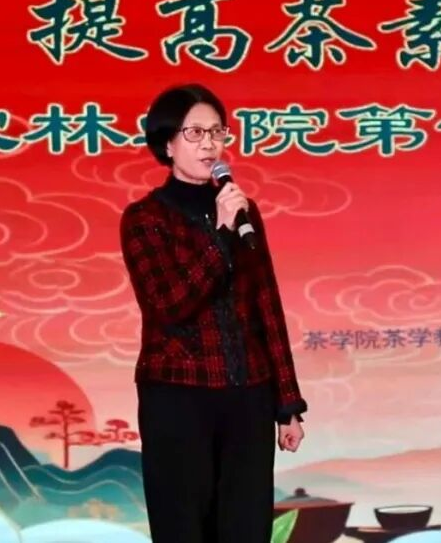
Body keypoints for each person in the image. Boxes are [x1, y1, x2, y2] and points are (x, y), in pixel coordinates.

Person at [119, 83, 308, 543]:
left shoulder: (243, 211)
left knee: (246, 527)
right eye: (195, 133)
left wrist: (287, 402)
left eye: (217, 132)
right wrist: (220, 236)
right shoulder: (145, 219)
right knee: (184, 528)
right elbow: (169, 305)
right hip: (178, 397)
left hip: (248, 396)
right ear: (167, 144)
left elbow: (266, 302)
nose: (209, 144)